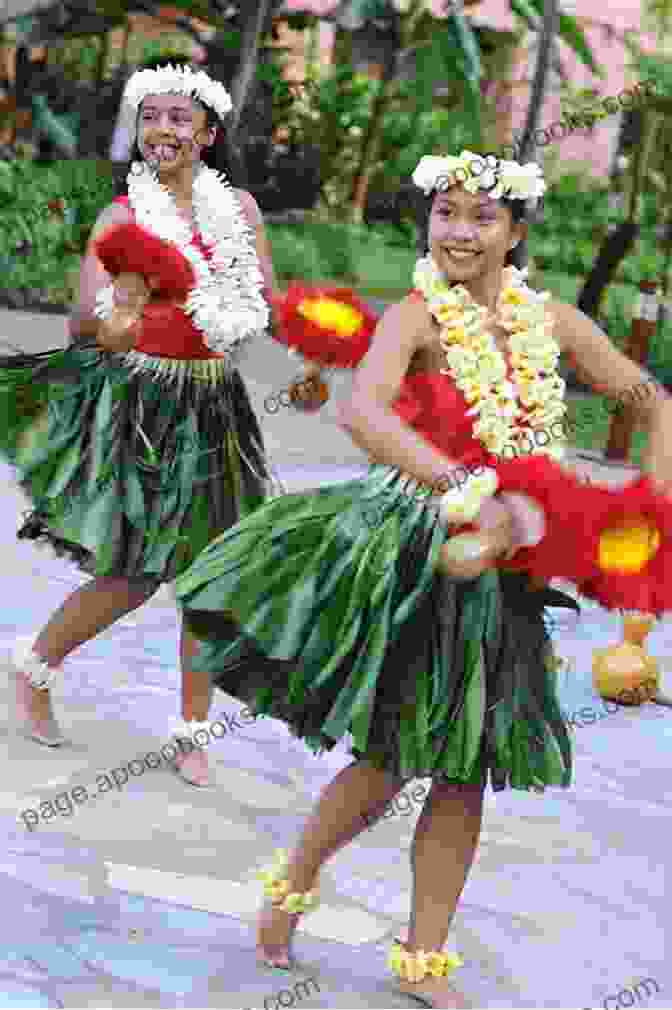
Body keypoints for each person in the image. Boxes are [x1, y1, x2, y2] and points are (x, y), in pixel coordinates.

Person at [174, 150, 672, 1007]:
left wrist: (651, 520)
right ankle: (294, 880)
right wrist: (460, 485)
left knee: (466, 762)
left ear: (516, 233)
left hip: (507, 560)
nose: (460, 231)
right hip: (419, 550)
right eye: (446, 213)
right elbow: (361, 409)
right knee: (389, 758)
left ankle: (423, 956)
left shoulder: (551, 320)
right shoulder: (417, 317)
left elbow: (650, 399)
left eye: (482, 216)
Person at [0, 61, 278, 788]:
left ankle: (192, 731)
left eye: (179, 119)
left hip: (217, 403)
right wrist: (117, 315)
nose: (163, 131)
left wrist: (285, 343)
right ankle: (36, 666)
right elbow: (84, 323)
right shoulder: (121, 218)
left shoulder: (240, 210)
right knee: (132, 571)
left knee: (211, 572)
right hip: (144, 404)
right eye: (150, 117)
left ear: (208, 133)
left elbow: (265, 304)